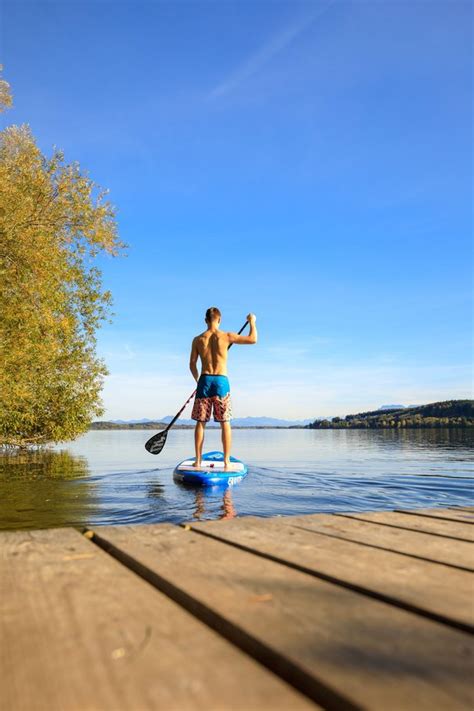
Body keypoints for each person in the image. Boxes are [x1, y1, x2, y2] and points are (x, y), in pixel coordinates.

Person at [189, 307, 257, 469]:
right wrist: (252, 322)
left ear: (206, 320)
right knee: (225, 422)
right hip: (221, 381)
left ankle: (198, 461)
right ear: (219, 320)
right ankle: (226, 461)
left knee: (200, 422)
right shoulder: (227, 336)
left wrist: (198, 380)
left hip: (204, 380)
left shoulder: (198, 339)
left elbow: (192, 364)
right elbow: (253, 339)